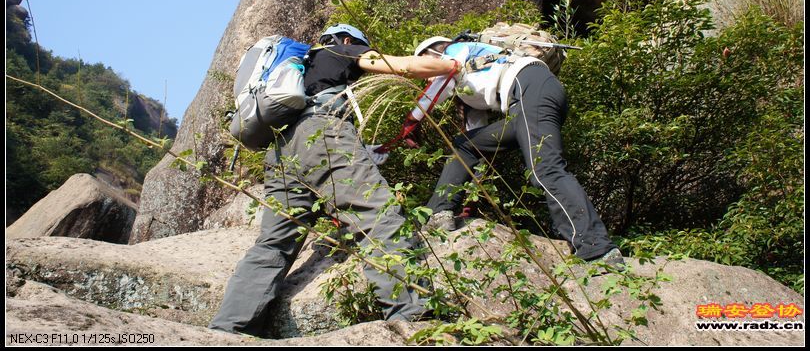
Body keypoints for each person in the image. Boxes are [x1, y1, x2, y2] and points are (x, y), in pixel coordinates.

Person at [209, 24, 459, 336]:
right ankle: (416, 322)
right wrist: (456, 63)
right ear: (346, 40)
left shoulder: (304, 68)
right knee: (379, 219)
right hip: (322, 135)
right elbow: (406, 66)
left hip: (281, 153)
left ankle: (227, 329)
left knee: (273, 244)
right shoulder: (339, 49)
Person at [407, 35, 623, 266]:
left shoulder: (457, 49)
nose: (426, 75)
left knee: (545, 170)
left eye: (424, 62)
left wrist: (410, 122)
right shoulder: (467, 89)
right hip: (525, 103)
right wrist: (469, 204)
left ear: (435, 52)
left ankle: (597, 249)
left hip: (531, 87)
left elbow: (442, 80)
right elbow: (478, 151)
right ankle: (439, 212)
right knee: (465, 145)